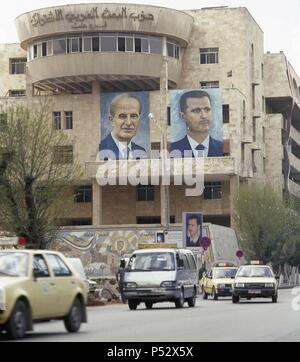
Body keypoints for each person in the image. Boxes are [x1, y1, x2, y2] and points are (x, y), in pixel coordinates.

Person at [171, 90, 223, 157]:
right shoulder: (174, 149)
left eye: (207, 109)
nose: (204, 116)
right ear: (183, 116)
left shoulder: (220, 147)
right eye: (196, 111)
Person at [99, 93, 147, 160]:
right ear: (111, 120)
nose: (128, 123)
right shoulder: (100, 150)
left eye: (133, 116)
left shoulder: (141, 152)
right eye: (122, 116)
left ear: (139, 120)